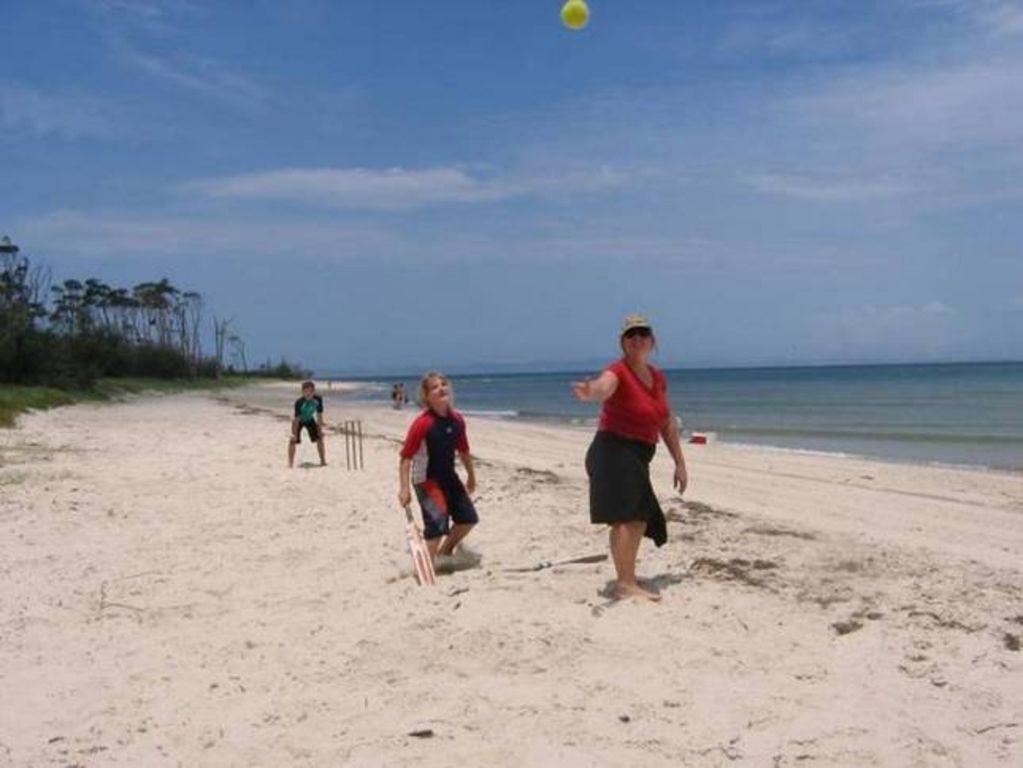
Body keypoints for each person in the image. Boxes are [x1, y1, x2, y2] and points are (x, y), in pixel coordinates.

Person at [572, 314, 688, 601]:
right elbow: (604, 386)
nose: (637, 339)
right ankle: (625, 582)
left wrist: (680, 462)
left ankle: (625, 579)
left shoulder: (658, 377)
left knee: (627, 518)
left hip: (637, 455)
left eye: (643, 334)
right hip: (613, 450)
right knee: (633, 517)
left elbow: (666, 422)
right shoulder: (617, 371)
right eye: (631, 335)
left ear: (653, 341)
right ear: (623, 342)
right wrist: (591, 392)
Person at [397, 372, 479, 567]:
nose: (441, 388)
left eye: (443, 384)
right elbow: (405, 458)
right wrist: (404, 488)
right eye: (434, 387)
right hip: (426, 480)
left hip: (449, 477)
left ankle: (445, 551)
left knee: (468, 519)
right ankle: (425, 566)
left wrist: (471, 477)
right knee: (437, 526)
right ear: (426, 396)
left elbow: (464, 450)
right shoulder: (423, 423)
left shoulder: (457, 420)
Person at [288, 380, 326, 468]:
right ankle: (290, 464)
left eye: (310, 391)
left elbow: (319, 415)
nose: (308, 394)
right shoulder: (299, 402)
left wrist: (320, 429)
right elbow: (296, 420)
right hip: (299, 421)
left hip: (309, 420)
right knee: (292, 440)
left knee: (320, 438)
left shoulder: (318, 399)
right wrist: (294, 434)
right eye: (305, 392)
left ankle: (323, 461)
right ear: (302, 392)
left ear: (314, 391)